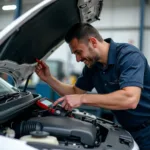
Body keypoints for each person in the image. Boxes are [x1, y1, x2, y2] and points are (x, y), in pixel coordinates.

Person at [35, 23, 150, 150]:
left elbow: (130, 99)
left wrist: (83, 99)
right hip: (126, 130)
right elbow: (75, 92)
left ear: (93, 42)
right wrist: (48, 79)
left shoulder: (129, 56)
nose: (78, 59)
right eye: (75, 54)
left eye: (79, 52)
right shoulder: (93, 67)